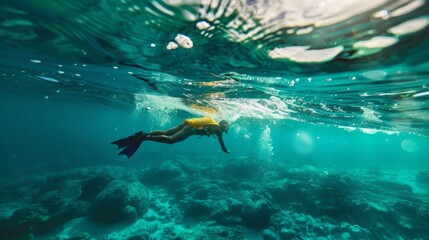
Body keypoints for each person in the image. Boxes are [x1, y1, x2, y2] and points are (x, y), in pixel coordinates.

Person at [112, 116, 230, 158]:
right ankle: (146, 137)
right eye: (227, 127)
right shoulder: (218, 130)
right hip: (190, 129)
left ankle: (146, 133)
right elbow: (222, 144)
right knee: (171, 140)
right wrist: (225, 150)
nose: (226, 129)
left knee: (166, 132)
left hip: (187, 124)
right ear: (223, 126)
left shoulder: (213, 124)